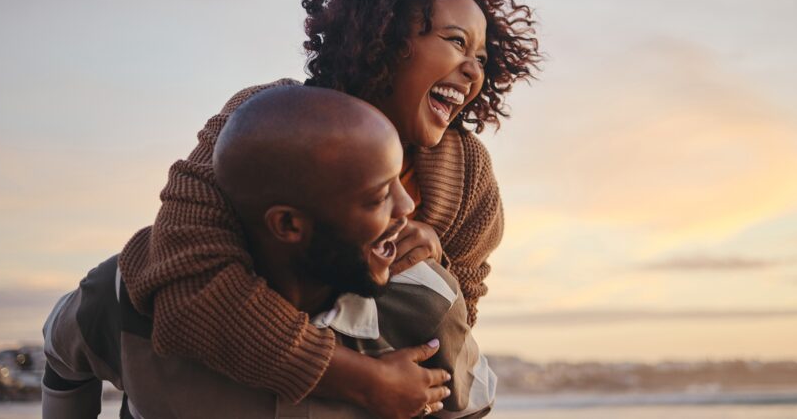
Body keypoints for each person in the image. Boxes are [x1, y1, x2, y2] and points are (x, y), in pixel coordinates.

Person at [118, 0, 541, 419]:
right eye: (454, 41)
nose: (474, 69)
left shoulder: (468, 175)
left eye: (482, 56)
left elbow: (454, 331)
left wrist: (437, 267)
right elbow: (188, 288)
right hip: (212, 386)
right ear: (384, 36)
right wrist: (362, 381)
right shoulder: (264, 121)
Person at [42, 87, 495, 418]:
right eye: (379, 197)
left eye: (402, 179)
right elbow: (62, 356)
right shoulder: (129, 294)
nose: (409, 207)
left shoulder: (425, 303)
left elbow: (470, 407)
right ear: (288, 224)